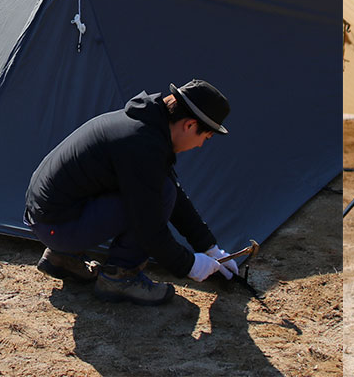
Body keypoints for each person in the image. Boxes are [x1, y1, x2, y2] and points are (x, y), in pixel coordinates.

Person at [24, 79, 241, 305]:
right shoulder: (142, 145)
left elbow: (174, 195)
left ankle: (63, 257)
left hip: (48, 218)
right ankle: (120, 278)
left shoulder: (146, 125)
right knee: (160, 196)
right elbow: (149, 227)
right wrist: (188, 265)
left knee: (162, 190)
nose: (199, 146)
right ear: (189, 125)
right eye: (204, 138)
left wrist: (209, 248)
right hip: (57, 227)